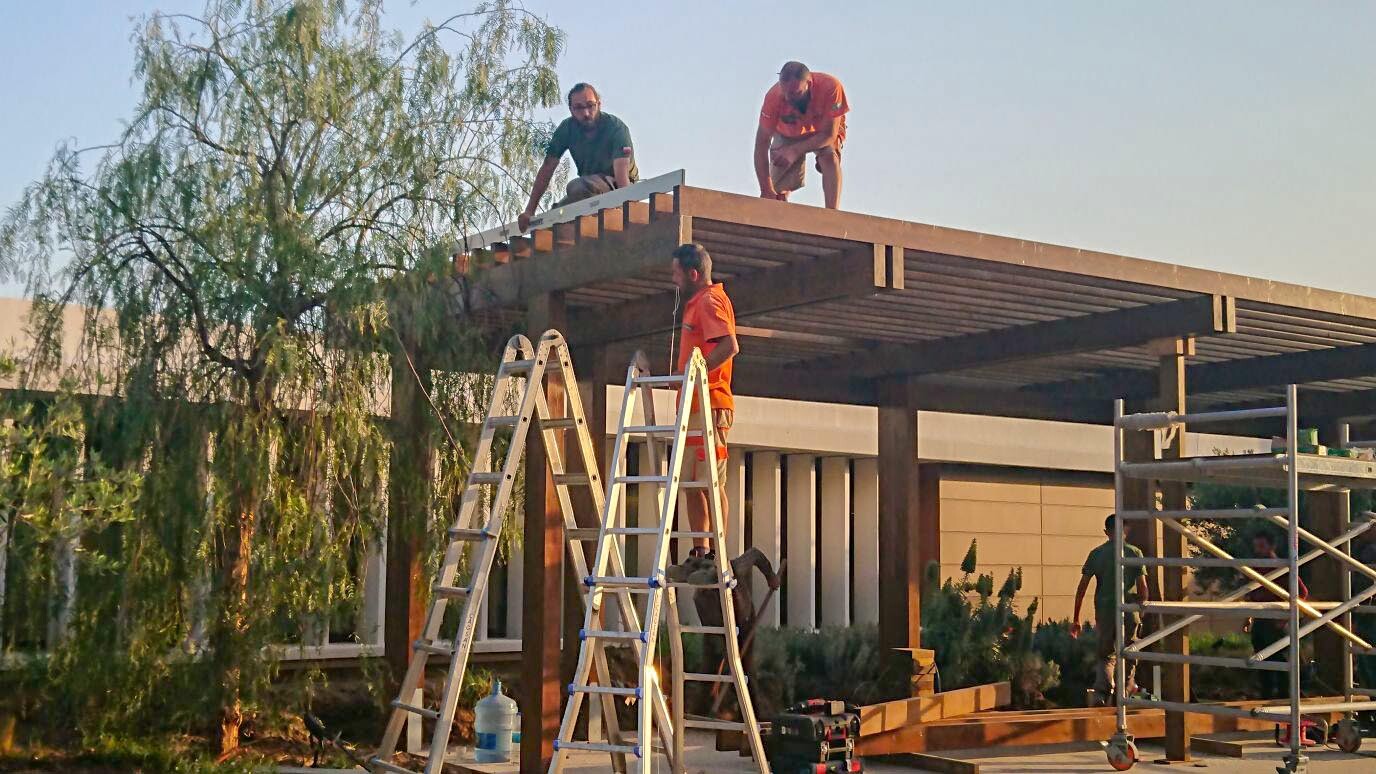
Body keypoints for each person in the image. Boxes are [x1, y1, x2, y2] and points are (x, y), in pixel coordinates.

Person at [670, 243, 739, 557]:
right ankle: (701, 550)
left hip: (710, 404)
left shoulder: (710, 300)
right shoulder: (698, 302)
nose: (674, 280)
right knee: (691, 481)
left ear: (693, 273)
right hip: (694, 405)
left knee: (711, 479)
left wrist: (698, 373)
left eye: (677, 273)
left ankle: (717, 552)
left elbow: (728, 345)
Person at [518, 83, 638, 232]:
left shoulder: (616, 128)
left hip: (617, 185)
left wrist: (627, 210)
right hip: (588, 190)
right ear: (571, 109)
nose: (586, 113)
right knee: (555, 216)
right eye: (579, 108)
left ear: (599, 104)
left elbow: (622, 173)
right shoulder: (566, 129)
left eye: (590, 105)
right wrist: (530, 210)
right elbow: (547, 168)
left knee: (577, 186)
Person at [1072, 514, 1151, 704]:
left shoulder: (1096, 554)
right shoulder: (1134, 552)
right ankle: (1125, 688)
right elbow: (1143, 587)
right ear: (1125, 530)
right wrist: (1142, 609)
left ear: (1106, 532)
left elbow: (1082, 587)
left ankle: (1103, 690)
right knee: (1130, 650)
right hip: (1129, 609)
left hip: (1105, 610)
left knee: (1106, 653)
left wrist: (1076, 618)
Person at [754, 61, 849, 209]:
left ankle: (832, 213)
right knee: (776, 189)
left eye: (794, 93)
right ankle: (781, 212)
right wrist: (766, 189)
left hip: (822, 129)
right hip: (788, 131)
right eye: (785, 93)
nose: (788, 99)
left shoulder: (831, 87)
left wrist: (795, 150)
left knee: (829, 157)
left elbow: (828, 135)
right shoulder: (774, 98)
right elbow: (761, 143)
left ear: (809, 84)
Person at [1244, 530, 1308, 699]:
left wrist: (1285, 618)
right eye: (1256, 546)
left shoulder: (1281, 567)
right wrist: (1248, 617)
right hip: (1261, 619)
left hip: (1277, 621)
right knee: (1262, 659)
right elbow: (1251, 595)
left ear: (1272, 546)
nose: (1258, 550)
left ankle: (1287, 696)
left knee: (1282, 660)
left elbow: (1302, 593)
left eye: (1262, 546)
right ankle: (1266, 695)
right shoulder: (1255, 567)